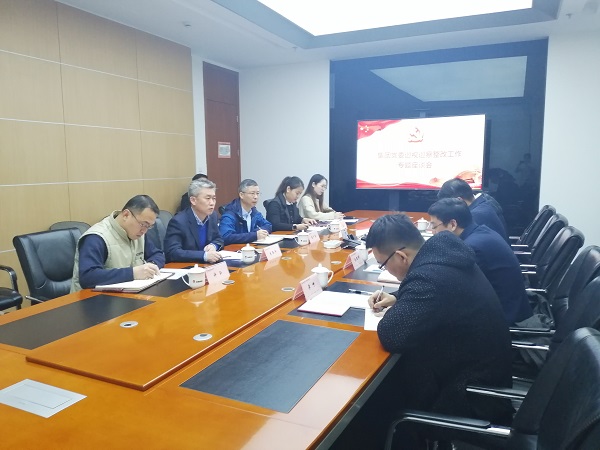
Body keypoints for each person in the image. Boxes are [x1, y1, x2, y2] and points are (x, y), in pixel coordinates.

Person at [344, 214, 512, 448]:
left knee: (371, 400)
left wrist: (400, 307)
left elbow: (392, 335)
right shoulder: (443, 254)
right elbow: (441, 293)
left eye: (383, 264)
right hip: (484, 373)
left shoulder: (429, 278)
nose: (385, 270)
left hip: (467, 394)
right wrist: (399, 297)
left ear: (401, 256)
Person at [428, 198, 533, 325]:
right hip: (509, 307)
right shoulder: (480, 232)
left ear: (452, 224)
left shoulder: (472, 248)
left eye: (434, 226)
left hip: (505, 320)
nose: (432, 231)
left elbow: (455, 289)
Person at [70, 195, 166, 292]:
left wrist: (151, 267)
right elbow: (88, 277)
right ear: (126, 215)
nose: (144, 231)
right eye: (143, 224)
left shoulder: (138, 234)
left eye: (149, 226)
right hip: (92, 298)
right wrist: (133, 273)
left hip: (126, 295)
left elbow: (158, 254)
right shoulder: (96, 237)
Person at [165, 179, 224, 263]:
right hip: (186, 266)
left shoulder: (213, 216)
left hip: (208, 266)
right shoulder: (178, 222)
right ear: (193, 200)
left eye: (214, 198)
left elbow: (219, 238)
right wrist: (204, 256)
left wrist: (214, 246)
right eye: (207, 198)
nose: (212, 203)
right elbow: (172, 252)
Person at [437, 177, 509, 242]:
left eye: (448, 206)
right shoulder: (484, 202)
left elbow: (462, 245)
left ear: (459, 200)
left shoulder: (476, 215)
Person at [219, 179, 273, 245]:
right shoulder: (230, 213)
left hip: (250, 247)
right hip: (235, 249)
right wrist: (254, 235)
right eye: (252, 193)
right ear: (241, 195)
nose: (256, 197)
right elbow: (226, 237)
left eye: (257, 193)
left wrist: (258, 233)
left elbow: (268, 225)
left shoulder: (253, 211)